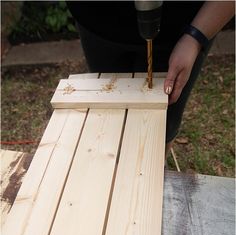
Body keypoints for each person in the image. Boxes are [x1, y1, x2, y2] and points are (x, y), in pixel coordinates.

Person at [66, 1, 234, 158]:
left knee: (161, 123)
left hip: (183, 31)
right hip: (97, 21)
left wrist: (195, 38)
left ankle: (153, 168)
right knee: (111, 119)